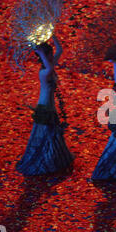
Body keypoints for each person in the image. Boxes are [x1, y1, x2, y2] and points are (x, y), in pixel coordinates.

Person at [16, 35, 74, 175]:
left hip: (51, 106)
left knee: (52, 134)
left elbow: (59, 50)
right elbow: (48, 67)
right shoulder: (44, 72)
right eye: (49, 55)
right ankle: (46, 160)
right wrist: (39, 51)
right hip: (45, 106)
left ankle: (54, 159)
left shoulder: (49, 66)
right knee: (45, 133)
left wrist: (52, 34)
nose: (52, 57)